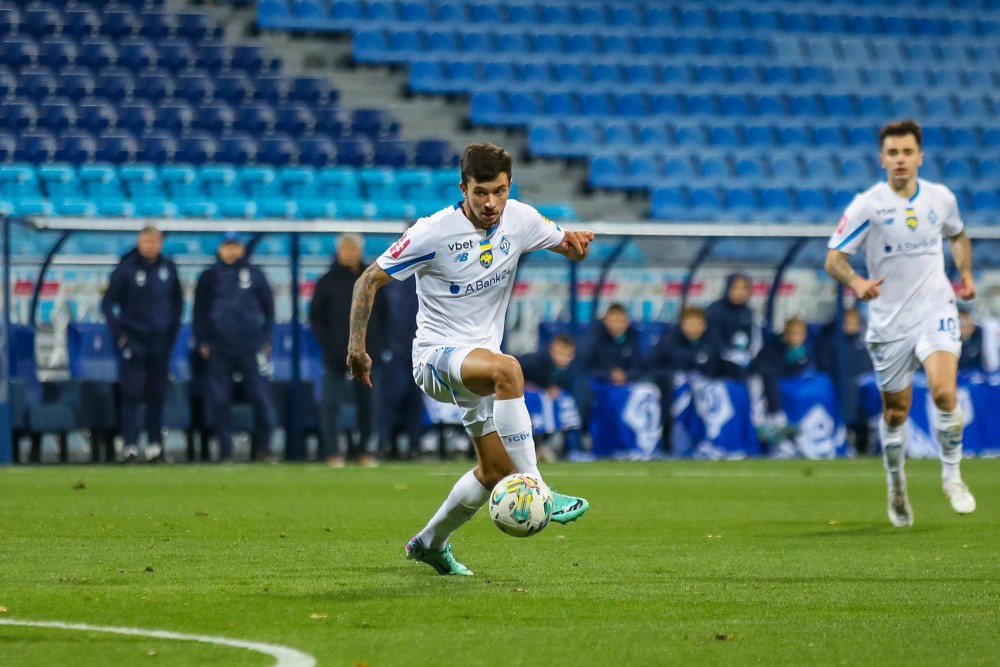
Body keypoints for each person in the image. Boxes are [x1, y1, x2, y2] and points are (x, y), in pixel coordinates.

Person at [347, 142, 595, 576]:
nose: (490, 203)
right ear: (463, 188)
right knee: (509, 369)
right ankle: (539, 487)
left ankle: (429, 543)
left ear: (509, 186)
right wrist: (356, 347)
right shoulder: (433, 232)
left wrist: (576, 247)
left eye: (499, 191)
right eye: (480, 192)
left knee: (495, 470)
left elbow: (567, 246)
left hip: (478, 363)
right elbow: (368, 280)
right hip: (435, 359)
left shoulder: (521, 219)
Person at [825, 118, 977, 527]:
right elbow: (834, 258)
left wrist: (965, 273)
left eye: (907, 152)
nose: (900, 159)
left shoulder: (940, 198)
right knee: (896, 413)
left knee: (944, 393)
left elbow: (958, 236)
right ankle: (896, 483)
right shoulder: (867, 205)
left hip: (936, 309)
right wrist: (857, 282)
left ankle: (952, 477)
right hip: (890, 322)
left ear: (919, 157)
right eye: (893, 153)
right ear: (882, 159)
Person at [101, 226, 182, 463]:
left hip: (160, 341)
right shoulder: (126, 268)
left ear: (160, 243)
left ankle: (155, 446)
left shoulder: (168, 268)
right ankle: (130, 445)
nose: (150, 246)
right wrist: (120, 335)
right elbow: (107, 304)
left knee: (157, 394)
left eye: (154, 242)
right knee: (131, 394)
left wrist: (171, 333)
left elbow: (177, 304)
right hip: (133, 340)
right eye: (146, 241)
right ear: (139, 242)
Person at [193, 233, 276, 462]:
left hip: (251, 346)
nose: (231, 251)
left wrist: (266, 339)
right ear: (220, 248)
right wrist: (202, 341)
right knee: (220, 400)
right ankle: (225, 450)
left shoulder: (256, 274)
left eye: (235, 246)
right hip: (219, 347)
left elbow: (269, 309)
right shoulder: (209, 276)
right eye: (227, 246)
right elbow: (199, 312)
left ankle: (264, 448)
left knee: (261, 397)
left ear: (241, 248)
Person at [309, 233, 386, 467]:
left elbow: (384, 315)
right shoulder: (327, 281)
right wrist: (330, 346)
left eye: (353, 249)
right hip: (335, 355)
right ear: (338, 252)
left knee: (368, 405)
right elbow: (316, 317)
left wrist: (378, 346)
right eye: (345, 249)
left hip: (367, 355)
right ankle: (332, 452)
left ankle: (366, 451)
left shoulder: (372, 278)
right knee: (330, 405)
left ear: (360, 251)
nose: (349, 253)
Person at [645, 306, 719, 453]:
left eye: (697, 324)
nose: (694, 328)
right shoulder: (668, 342)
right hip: (672, 390)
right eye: (690, 323)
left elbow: (717, 368)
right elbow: (651, 367)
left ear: (704, 325)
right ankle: (676, 441)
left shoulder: (712, 343)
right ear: (682, 324)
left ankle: (710, 442)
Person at [816, 306, 875, 453]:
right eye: (847, 323)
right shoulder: (832, 342)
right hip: (839, 389)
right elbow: (823, 364)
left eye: (854, 323)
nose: (850, 327)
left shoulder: (861, 344)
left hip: (860, 392)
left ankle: (864, 443)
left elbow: (868, 367)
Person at [517, 332, 584, 460]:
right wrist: (526, 385)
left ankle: (570, 449)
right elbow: (513, 369)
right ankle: (533, 448)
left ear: (572, 355)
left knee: (567, 409)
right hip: (527, 400)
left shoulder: (573, 370)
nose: (561, 358)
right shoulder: (534, 362)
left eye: (565, 355)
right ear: (551, 350)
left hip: (552, 402)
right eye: (558, 353)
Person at [750, 317, 812, 447]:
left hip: (787, 385)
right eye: (789, 333)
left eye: (796, 334)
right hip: (764, 382)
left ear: (803, 336)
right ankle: (767, 421)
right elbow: (762, 366)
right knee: (757, 383)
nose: (792, 337)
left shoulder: (807, 352)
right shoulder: (774, 348)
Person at [704, 273, 761, 381]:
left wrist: (744, 353)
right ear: (728, 288)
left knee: (763, 368)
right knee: (738, 370)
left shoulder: (747, 311)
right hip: (717, 358)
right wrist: (730, 353)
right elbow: (712, 341)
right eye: (736, 287)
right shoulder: (715, 310)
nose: (740, 292)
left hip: (741, 356)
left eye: (744, 288)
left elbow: (750, 339)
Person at [580, 303, 644, 386]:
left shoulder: (634, 337)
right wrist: (609, 375)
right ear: (605, 321)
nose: (617, 325)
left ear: (627, 322)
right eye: (613, 321)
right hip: (600, 383)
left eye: (621, 321)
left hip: (628, 383)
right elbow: (586, 367)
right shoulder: (595, 338)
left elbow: (639, 367)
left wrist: (626, 375)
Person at [957, 305, 987, 373]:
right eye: (962, 324)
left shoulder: (979, 332)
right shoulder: (950, 340)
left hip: (977, 372)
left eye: (967, 319)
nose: (966, 325)